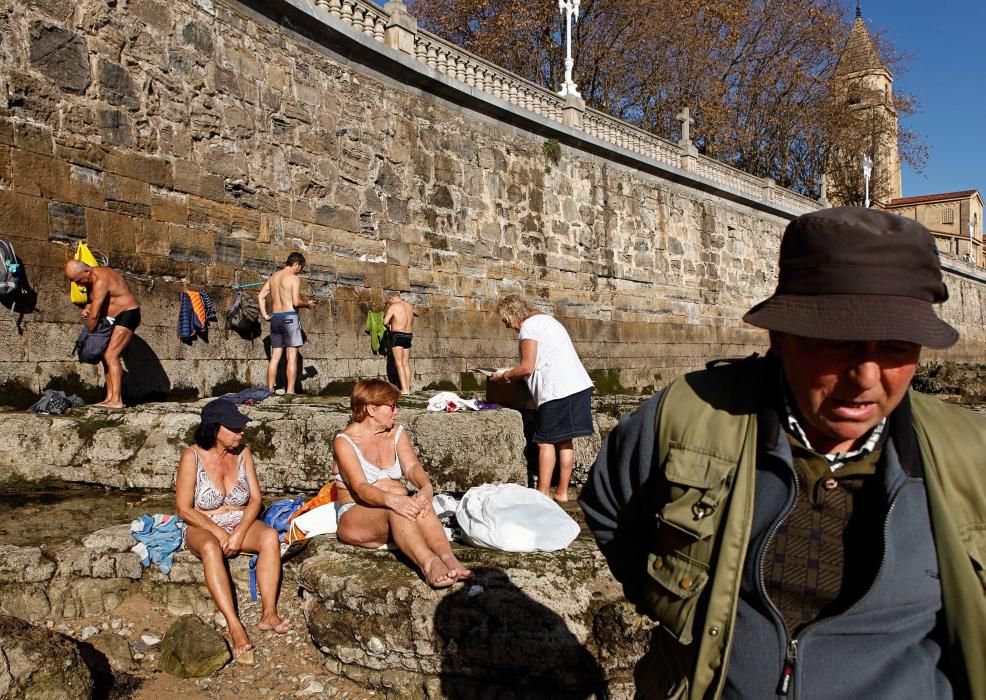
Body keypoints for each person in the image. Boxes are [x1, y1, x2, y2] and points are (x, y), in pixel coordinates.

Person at [579, 207, 986, 700]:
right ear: (781, 338)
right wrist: (674, 603)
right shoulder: (689, 416)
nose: (866, 378)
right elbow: (610, 504)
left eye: (897, 348)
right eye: (839, 345)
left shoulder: (970, 453)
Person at [175, 398, 291, 658]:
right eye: (235, 428)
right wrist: (220, 534)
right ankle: (235, 624)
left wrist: (238, 533)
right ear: (215, 430)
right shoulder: (191, 456)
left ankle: (268, 614)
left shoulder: (243, 453)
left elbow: (255, 500)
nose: (242, 432)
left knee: (270, 537)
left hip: (239, 520)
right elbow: (184, 508)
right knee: (209, 547)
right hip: (202, 523)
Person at [333, 378, 471, 588]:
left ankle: (448, 558)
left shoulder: (396, 432)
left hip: (394, 505)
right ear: (372, 409)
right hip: (358, 512)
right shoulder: (344, 442)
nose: (397, 412)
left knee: (420, 503)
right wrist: (395, 501)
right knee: (398, 507)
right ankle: (429, 564)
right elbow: (361, 488)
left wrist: (426, 488)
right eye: (392, 406)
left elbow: (412, 468)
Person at [491, 294, 594, 502]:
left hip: (556, 391)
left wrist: (504, 376)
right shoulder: (549, 321)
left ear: (512, 313)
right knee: (565, 442)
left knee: (545, 442)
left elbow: (527, 366)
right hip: (578, 386)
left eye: (506, 321)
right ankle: (562, 493)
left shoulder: (529, 326)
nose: (507, 326)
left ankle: (543, 493)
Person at [63, 260, 141, 408]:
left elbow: (94, 314)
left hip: (128, 314)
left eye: (79, 281)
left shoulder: (100, 280)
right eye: (75, 282)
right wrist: (86, 307)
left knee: (111, 354)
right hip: (113, 318)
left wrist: (90, 334)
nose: (79, 285)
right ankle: (109, 397)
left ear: (87, 272)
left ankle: (117, 400)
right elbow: (91, 303)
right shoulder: (89, 280)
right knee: (106, 355)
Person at [258, 252, 317, 394]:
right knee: (292, 356)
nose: (300, 270)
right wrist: (307, 304)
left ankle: (270, 389)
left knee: (275, 357)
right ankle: (290, 391)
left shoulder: (273, 277)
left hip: (276, 318)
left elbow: (260, 296)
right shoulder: (294, 278)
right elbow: (296, 302)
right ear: (296, 264)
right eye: (300, 268)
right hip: (289, 317)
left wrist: (266, 315)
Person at [383, 291, 420, 395]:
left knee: (398, 364)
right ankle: (407, 388)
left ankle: (404, 390)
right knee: (406, 364)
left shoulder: (394, 306)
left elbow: (385, 322)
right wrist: (410, 308)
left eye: (389, 302)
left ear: (391, 298)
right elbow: (418, 313)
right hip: (408, 335)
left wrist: (389, 327)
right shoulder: (408, 305)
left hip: (397, 335)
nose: (389, 304)